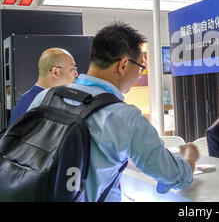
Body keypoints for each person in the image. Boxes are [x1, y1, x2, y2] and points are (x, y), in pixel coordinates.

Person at [29, 22, 199, 202]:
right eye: (141, 67)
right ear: (124, 64)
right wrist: (189, 157)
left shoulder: (46, 97)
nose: (139, 75)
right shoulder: (124, 116)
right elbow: (173, 176)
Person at [8, 48, 78, 126]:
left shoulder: (24, 100)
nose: (76, 74)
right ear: (56, 72)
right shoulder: (44, 105)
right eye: (73, 69)